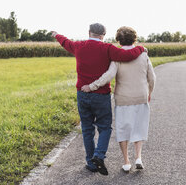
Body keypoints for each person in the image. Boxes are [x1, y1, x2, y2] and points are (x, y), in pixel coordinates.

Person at [51, 23, 145, 176]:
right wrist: (141, 48)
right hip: (101, 95)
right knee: (105, 128)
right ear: (103, 35)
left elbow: (65, 42)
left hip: (82, 94)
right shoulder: (107, 48)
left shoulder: (78, 46)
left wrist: (56, 35)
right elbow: (128, 55)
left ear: (89, 32)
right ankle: (99, 155)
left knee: (87, 129)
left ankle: (91, 163)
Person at [81, 26, 156, 172]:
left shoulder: (117, 56)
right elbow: (152, 77)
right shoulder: (143, 54)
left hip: (123, 99)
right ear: (134, 38)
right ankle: (138, 157)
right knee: (138, 127)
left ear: (118, 40)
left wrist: (92, 86)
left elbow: (109, 75)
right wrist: (149, 92)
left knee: (123, 129)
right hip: (141, 96)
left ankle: (127, 162)